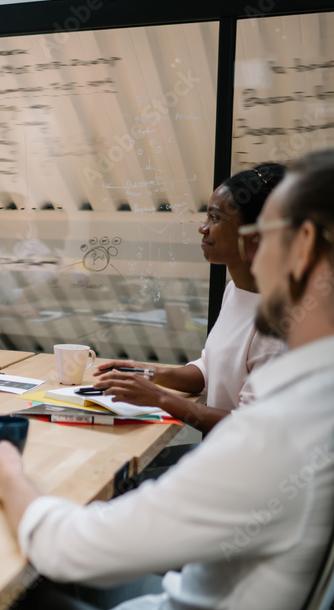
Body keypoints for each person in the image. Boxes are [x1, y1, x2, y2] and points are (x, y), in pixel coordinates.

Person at [0, 147, 334, 610]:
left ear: (304, 247)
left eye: (259, 237)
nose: (251, 255)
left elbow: (67, 548)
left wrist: (7, 478)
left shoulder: (279, 431)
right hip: (186, 604)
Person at [94, 163, 287, 434]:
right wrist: (148, 373)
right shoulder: (235, 290)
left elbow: (251, 427)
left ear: (253, 234)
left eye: (216, 218)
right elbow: (211, 369)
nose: (203, 228)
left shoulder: (278, 325)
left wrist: (159, 397)